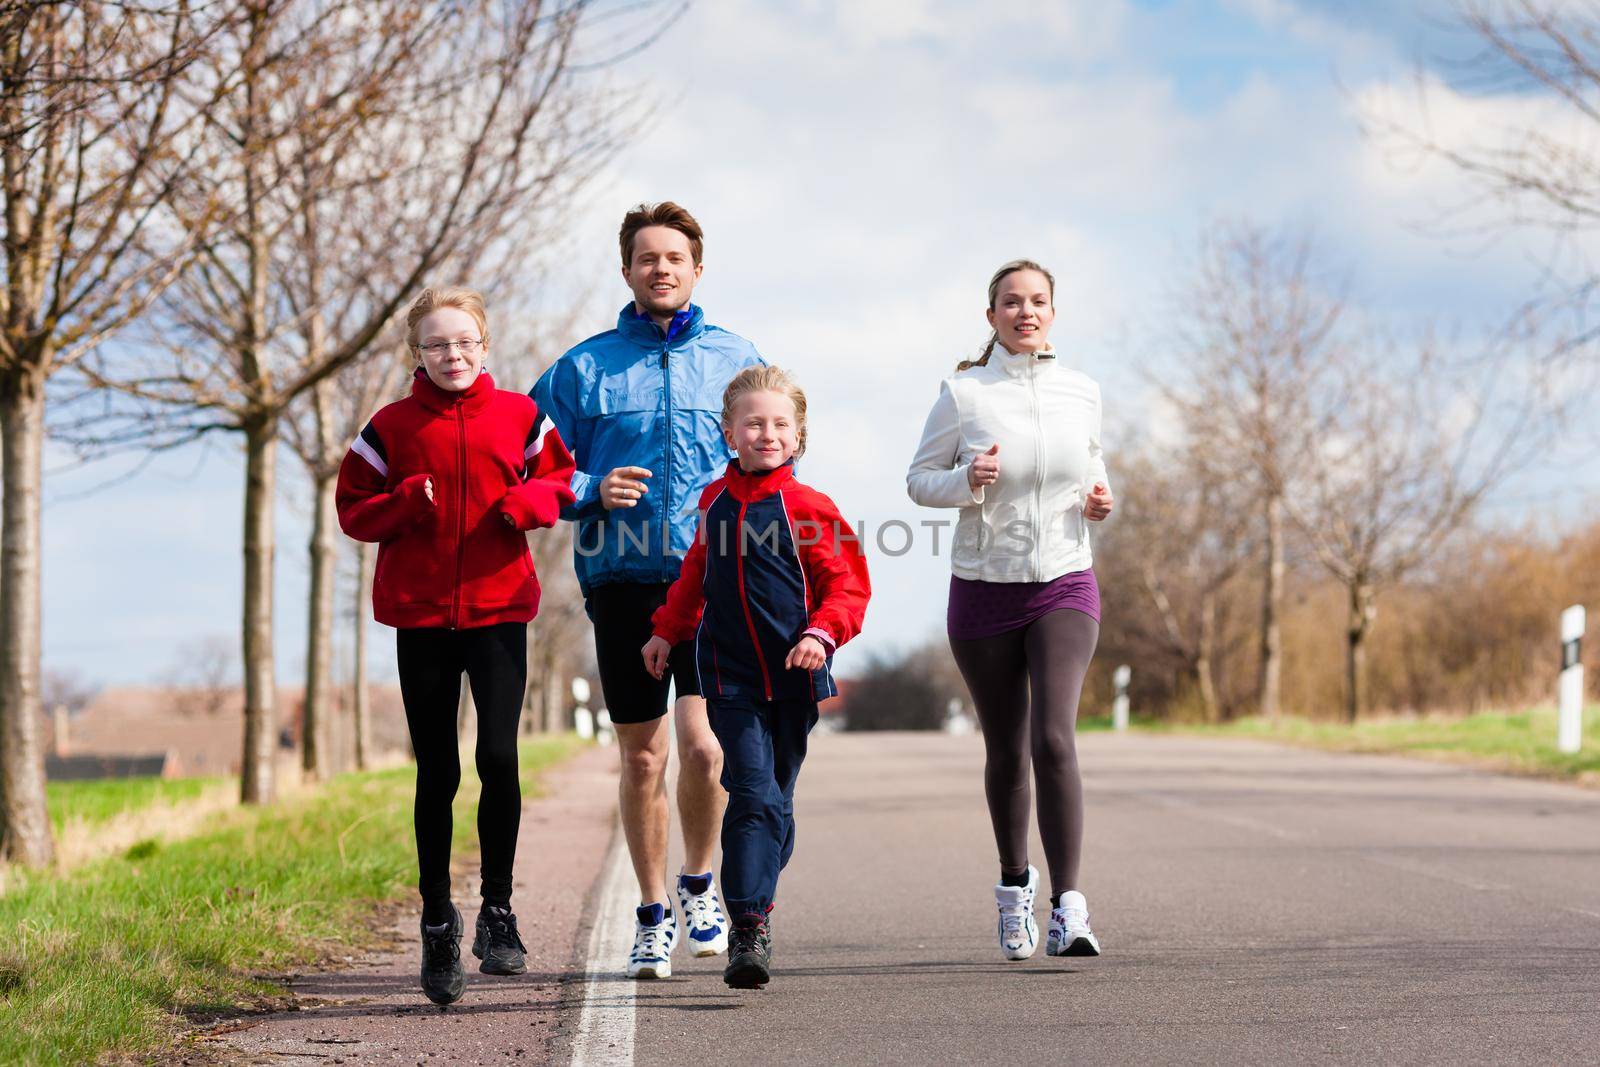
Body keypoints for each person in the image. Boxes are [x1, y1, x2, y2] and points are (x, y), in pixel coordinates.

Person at [531, 202, 764, 978]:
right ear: (626, 270)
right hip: (622, 579)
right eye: (645, 257)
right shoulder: (581, 369)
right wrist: (591, 486)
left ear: (697, 269)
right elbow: (526, 469)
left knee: (704, 747)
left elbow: (773, 450)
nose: (660, 267)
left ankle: (700, 884)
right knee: (641, 758)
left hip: (713, 577)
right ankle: (652, 910)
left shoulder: (737, 358)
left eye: (674, 257)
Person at [336, 286, 575, 1006]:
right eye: (438, 344)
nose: (453, 354)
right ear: (418, 353)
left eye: (465, 341)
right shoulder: (390, 426)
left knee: (498, 757)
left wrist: (525, 505)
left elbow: (557, 477)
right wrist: (406, 501)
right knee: (436, 770)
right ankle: (438, 919)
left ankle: (497, 912)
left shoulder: (522, 415)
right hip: (422, 616)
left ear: (485, 344)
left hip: (500, 609)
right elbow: (352, 508)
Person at [906, 259, 1114, 962]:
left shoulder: (1081, 391)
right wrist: (966, 479)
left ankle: (1070, 906)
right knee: (1007, 749)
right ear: (991, 314)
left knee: (1053, 738)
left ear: (1053, 312)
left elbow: (1093, 466)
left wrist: (1100, 500)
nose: (1026, 312)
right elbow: (917, 481)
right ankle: (1012, 886)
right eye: (1011, 303)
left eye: (1038, 302)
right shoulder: (963, 394)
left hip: (1065, 580)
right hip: (985, 587)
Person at [642, 365, 870, 988]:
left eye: (779, 424)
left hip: (795, 676)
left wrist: (820, 634)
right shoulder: (713, 501)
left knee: (778, 804)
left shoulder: (809, 507)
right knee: (752, 793)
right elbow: (695, 575)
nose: (766, 434)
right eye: (753, 423)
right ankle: (749, 926)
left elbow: (845, 587)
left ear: (797, 436)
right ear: (729, 432)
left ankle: (755, 897)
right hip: (729, 674)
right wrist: (667, 628)